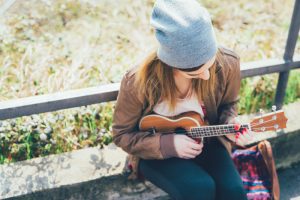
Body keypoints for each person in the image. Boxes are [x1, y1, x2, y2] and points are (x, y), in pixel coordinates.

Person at [112, 0, 254, 199]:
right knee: (199, 189)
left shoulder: (228, 63)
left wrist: (231, 124)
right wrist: (168, 144)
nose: (206, 76)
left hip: (209, 141)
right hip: (155, 150)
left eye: (209, 65)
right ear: (171, 63)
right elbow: (122, 135)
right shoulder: (137, 81)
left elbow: (228, 105)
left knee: (234, 192)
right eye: (195, 72)